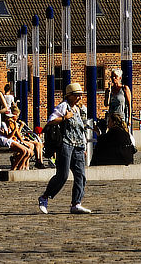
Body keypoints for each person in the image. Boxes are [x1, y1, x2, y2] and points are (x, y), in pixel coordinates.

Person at [38, 82, 89, 214]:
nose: (79, 98)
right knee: (63, 175)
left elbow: (81, 129)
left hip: (78, 145)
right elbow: (50, 121)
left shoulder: (78, 109)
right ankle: (45, 197)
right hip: (66, 144)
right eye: (76, 95)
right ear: (69, 96)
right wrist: (64, 118)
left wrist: (84, 146)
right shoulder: (63, 107)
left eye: (80, 95)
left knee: (81, 176)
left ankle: (76, 203)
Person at [104, 67, 132, 132]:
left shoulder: (124, 89)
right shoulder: (109, 90)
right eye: (112, 77)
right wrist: (108, 92)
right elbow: (106, 104)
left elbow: (129, 104)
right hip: (112, 118)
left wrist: (129, 119)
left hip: (121, 117)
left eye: (115, 76)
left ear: (120, 78)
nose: (113, 78)